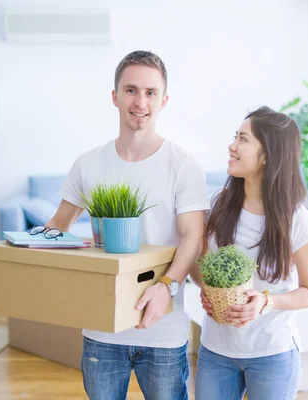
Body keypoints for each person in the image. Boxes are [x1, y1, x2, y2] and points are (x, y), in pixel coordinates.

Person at [44, 50, 209, 400]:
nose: (140, 101)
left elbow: (193, 236)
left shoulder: (182, 164)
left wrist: (166, 284)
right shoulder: (88, 164)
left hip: (163, 332)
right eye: (131, 90)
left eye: (151, 93)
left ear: (163, 101)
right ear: (115, 96)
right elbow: (58, 226)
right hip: (102, 331)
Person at [190, 106, 308, 400]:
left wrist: (266, 301)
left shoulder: (299, 221)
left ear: (267, 156)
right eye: (234, 137)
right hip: (216, 351)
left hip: (272, 354)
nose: (231, 146)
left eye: (243, 139)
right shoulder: (219, 205)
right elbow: (198, 266)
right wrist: (206, 288)